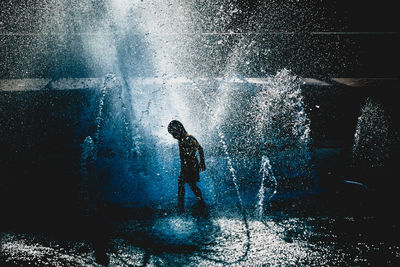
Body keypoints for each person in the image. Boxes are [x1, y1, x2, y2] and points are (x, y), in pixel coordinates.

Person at [168, 120, 206, 212]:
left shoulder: (189, 138)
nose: (173, 136)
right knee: (184, 184)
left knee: (190, 184)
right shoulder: (181, 140)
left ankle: (198, 203)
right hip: (185, 166)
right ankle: (182, 205)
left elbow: (200, 149)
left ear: (179, 130)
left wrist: (202, 162)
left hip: (192, 166)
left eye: (174, 133)